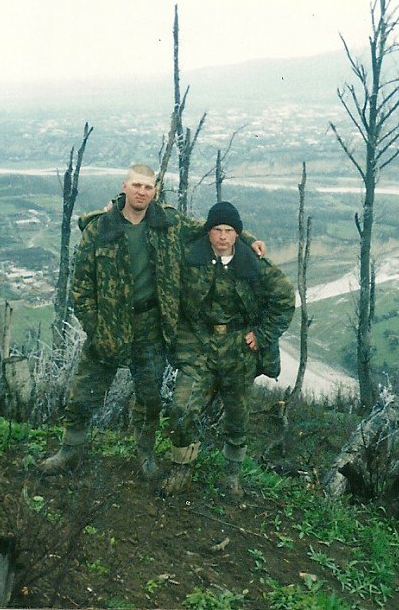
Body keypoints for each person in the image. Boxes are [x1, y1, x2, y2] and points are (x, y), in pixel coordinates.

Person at [39, 165, 264, 478]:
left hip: (150, 327)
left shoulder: (168, 223)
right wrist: (95, 326)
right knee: (85, 393)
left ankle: (145, 456)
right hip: (109, 325)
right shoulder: (101, 228)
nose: (142, 192)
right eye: (137, 185)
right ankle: (70, 450)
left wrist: (249, 239)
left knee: (149, 398)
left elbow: (211, 227)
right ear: (125, 187)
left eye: (148, 187)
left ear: (155, 191)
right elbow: (80, 287)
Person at [163, 201, 295, 498]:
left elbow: (285, 298)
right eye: (217, 230)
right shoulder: (191, 256)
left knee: (238, 417)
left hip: (238, 349)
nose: (222, 237)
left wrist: (262, 334)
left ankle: (232, 475)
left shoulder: (252, 263)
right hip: (199, 345)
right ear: (208, 232)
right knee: (182, 409)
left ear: (238, 234)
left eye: (230, 231)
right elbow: (170, 221)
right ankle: (181, 469)